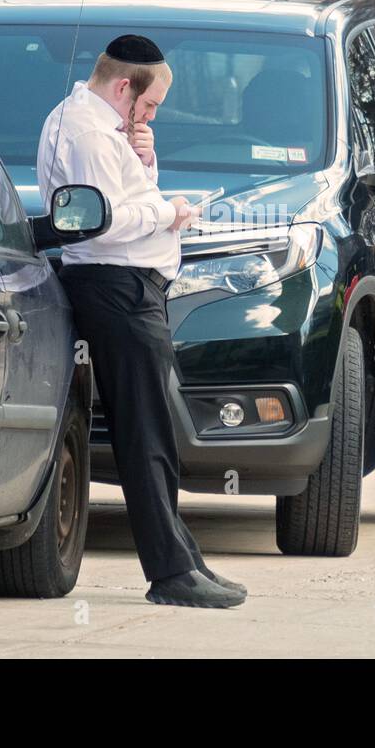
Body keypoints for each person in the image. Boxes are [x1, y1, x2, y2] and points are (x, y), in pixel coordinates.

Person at [36, 34, 247, 609]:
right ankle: (170, 573)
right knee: (145, 433)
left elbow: (121, 195)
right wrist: (170, 211)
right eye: (149, 105)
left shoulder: (105, 130)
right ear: (124, 86)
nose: (151, 115)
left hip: (132, 288)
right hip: (115, 287)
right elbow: (102, 222)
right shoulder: (85, 131)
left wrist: (144, 154)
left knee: (157, 429)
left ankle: (182, 559)